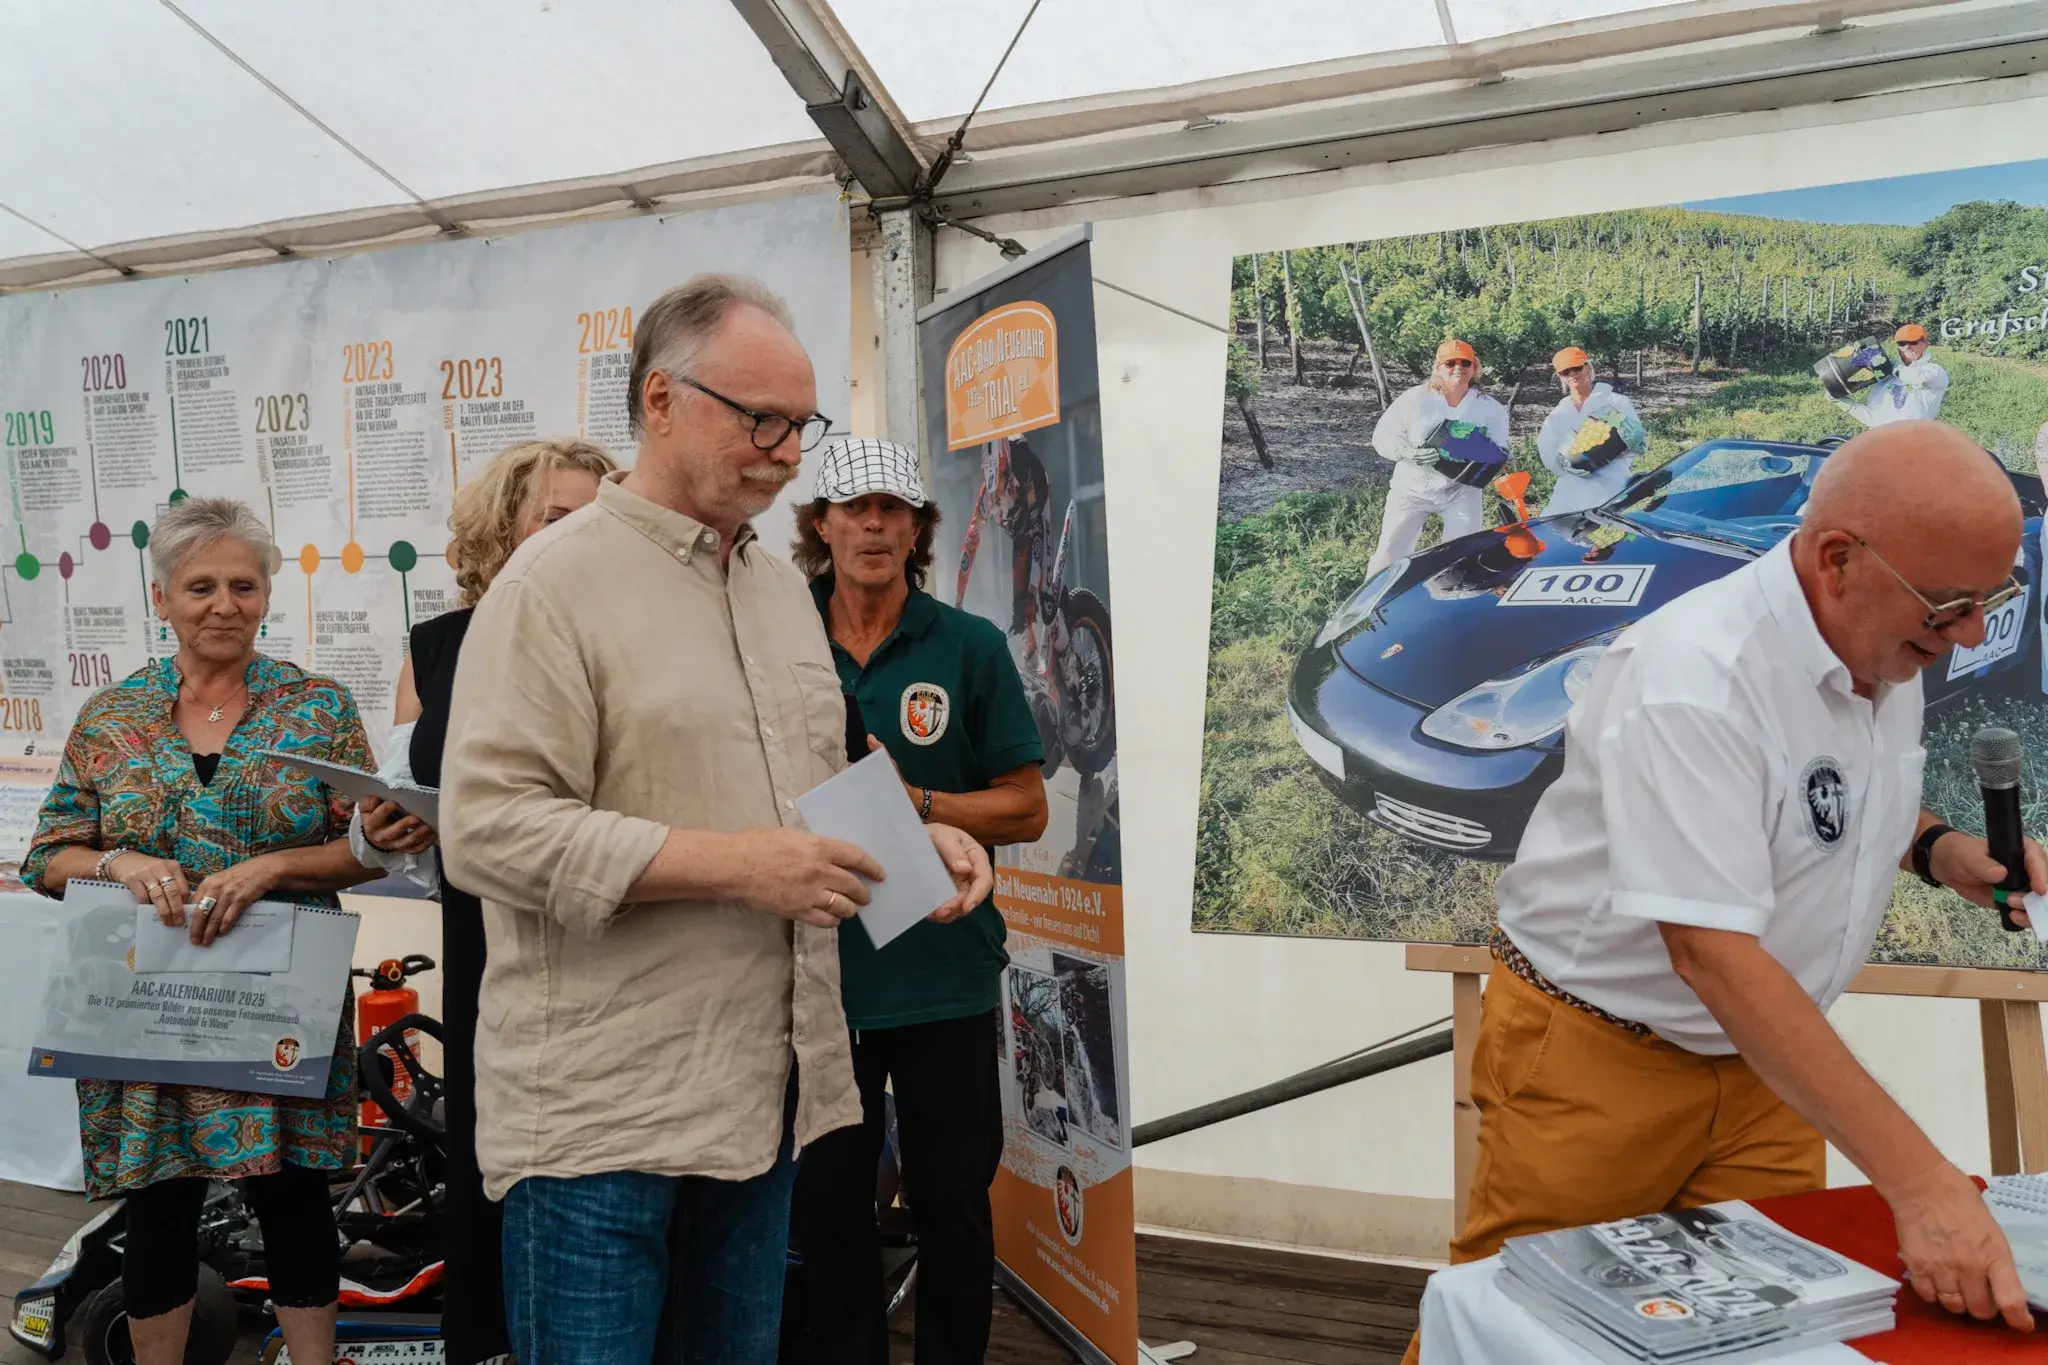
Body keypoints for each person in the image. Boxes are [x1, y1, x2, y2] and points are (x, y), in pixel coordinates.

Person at [437, 275, 995, 1365]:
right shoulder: (551, 586)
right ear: (659, 400)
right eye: (760, 421)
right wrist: (737, 867)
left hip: (759, 1103)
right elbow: (488, 829)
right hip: (601, 1119)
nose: (787, 456)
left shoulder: (778, 591)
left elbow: (813, 771)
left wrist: (911, 839)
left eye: (801, 425)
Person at [1398, 420, 2040, 1365]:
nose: (1971, 634)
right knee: (1526, 1328)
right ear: (1838, 559)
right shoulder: (1696, 674)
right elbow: (1711, 953)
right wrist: (1923, 1184)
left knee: (1773, 1334)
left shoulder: (1881, 634)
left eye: (1992, 598)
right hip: (1597, 1063)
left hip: (1768, 1066)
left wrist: (1939, 849)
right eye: (1952, 606)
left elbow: (1831, 790)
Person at [22, 497, 379, 1365]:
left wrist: (275, 866)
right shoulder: (112, 717)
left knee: (296, 1198)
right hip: (147, 1000)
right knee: (160, 1204)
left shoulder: (318, 707)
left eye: (243, 586)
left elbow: (370, 848)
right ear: (162, 597)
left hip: (280, 996)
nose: (225, 604)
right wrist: (120, 863)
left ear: (267, 595)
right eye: (202, 586)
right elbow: (48, 856)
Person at [350, 437, 615, 1365]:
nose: (578, 536)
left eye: (595, 518)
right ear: (502, 531)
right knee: (490, 1160)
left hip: (605, 944)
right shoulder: (437, 649)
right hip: (483, 944)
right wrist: (383, 828)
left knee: (594, 1178)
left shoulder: (630, 640)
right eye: (556, 516)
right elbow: (395, 812)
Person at [785, 438, 1049, 1365]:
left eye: (893, 509)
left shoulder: (968, 645)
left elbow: (1027, 806)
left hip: (943, 974)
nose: (874, 525)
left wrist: (919, 804)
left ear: (917, 528)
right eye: (854, 508)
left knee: (951, 1205)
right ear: (821, 524)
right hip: (816, 978)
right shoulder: (779, 642)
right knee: (827, 1210)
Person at [1367, 340, 1512, 576]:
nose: (1458, 367)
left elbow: (1500, 446)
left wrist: (1498, 457)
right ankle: (1376, 596)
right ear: (1438, 367)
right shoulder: (1415, 399)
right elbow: (1384, 435)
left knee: (1464, 554)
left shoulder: (1489, 407)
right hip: (1412, 489)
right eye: (1450, 363)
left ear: (1475, 367)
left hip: (1461, 491)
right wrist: (1405, 452)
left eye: (1465, 363)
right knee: (1389, 552)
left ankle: (1454, 594)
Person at [1535, 346, 1648, 518]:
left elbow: (1638, 443)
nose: (1572, 374)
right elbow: (1547, 452)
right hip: (1572, 484)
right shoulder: (1557, 415)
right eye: (1565, 371)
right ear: (1560, 377)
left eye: (1576, 367)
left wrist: (1632, 439)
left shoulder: (1616, 402)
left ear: (1587, 367)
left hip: (1613, 477)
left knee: (1610, 521)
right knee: (1558, 523)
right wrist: (1564, 465)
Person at [1840, 323, 1949, 428]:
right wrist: (1842, 401)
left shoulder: (1935, 372)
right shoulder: (1887, 379)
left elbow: (1915, 377)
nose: (1908, 346)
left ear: (1926, 344)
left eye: (1914, 342)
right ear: (1897, 347)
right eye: (1902, 343)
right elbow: (1874, 419)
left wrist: (1888, 365)